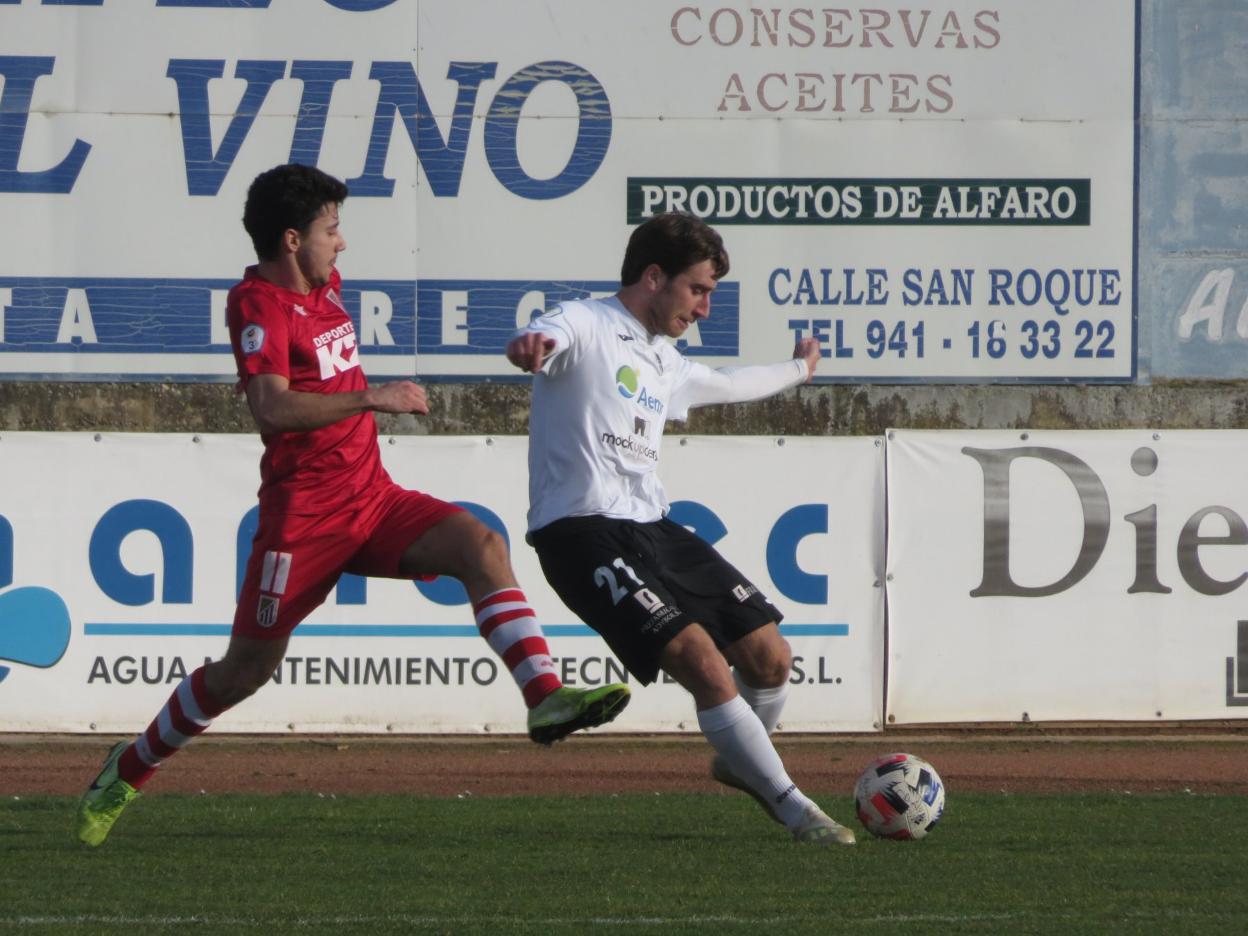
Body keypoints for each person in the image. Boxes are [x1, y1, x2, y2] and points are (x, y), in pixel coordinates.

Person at [76, 163, 629, 847]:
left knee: (480, 545)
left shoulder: (322, 287)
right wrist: (373, 397)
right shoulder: (258, 306)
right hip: (303, 521)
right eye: (331, 231)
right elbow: (271, 407)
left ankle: (544, 696)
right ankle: (127, 769)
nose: (342, 245)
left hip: (372, 499)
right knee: (244, 673)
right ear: (288, 241)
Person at [505, 212, 854, 845]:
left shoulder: (664, 360)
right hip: (580, 533)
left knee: (771, 656)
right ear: (654, 276)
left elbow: (727, 383)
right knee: (701, 659)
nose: (705, 307)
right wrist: (531, 346)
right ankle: (799, 811)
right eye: (699, 289)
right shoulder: (585, 322)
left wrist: (800, 370)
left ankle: (740, 760)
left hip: (653, 528)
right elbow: (543, 336)